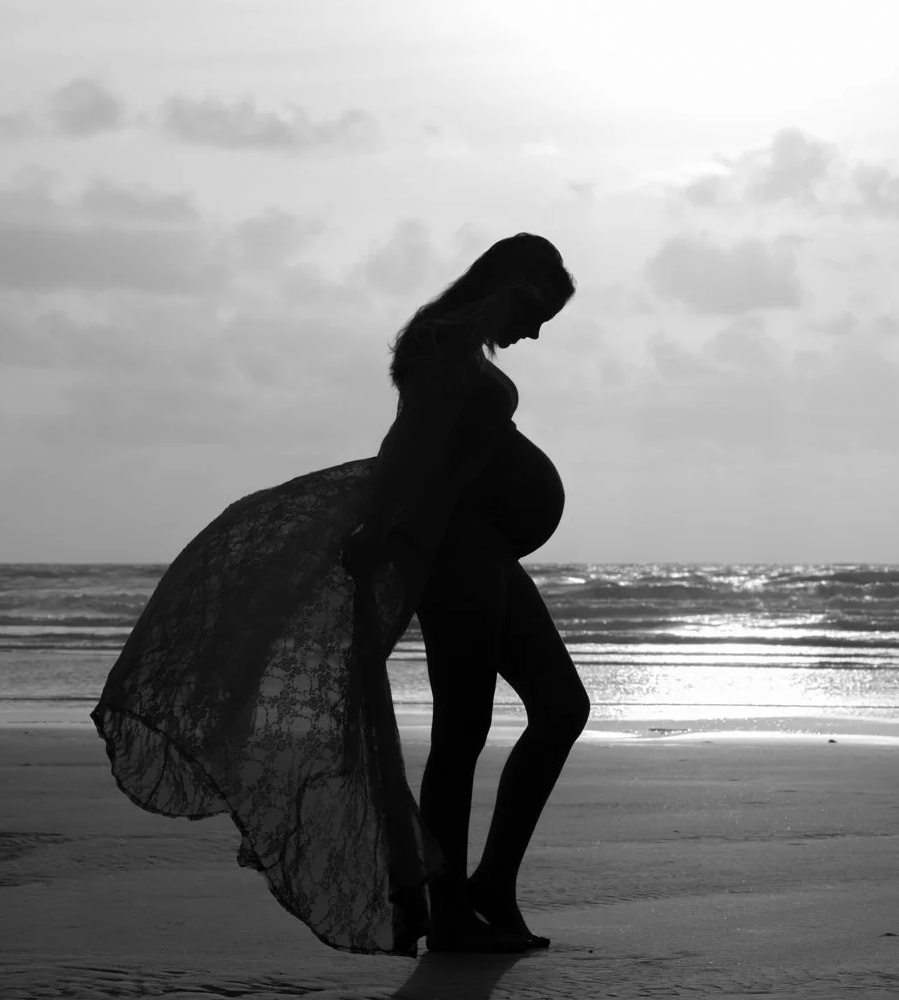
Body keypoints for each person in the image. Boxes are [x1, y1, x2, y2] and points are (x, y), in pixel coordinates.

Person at [92, 232, 587, 958]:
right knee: (463, 729)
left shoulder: (458, 348)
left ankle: (490, 886)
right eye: (537, 315)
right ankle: (452, 911)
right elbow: (407, 445)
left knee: (562, 707)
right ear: (513, 289)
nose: (536, 334)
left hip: (480, 547)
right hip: (452, 551)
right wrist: (378, 527)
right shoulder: (442, 344)